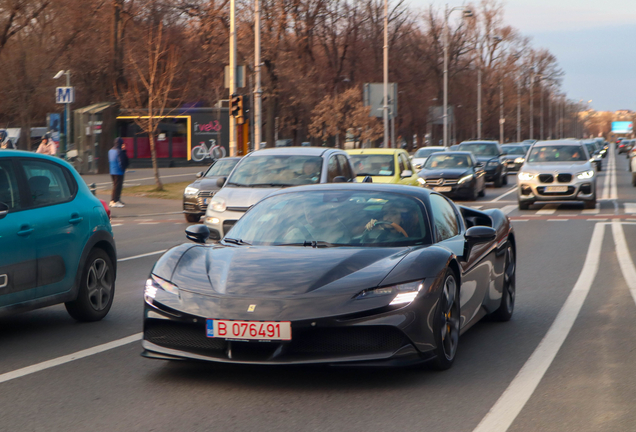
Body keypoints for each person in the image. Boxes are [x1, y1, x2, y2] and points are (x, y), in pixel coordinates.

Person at [109, 138, 126, 208]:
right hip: (118, 171)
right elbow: (122, 161)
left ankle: (114, 200)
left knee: (115, 185)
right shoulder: (119, 151)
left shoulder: (110, 150)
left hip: (112, 170)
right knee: (118, 186)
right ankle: (115, 200)